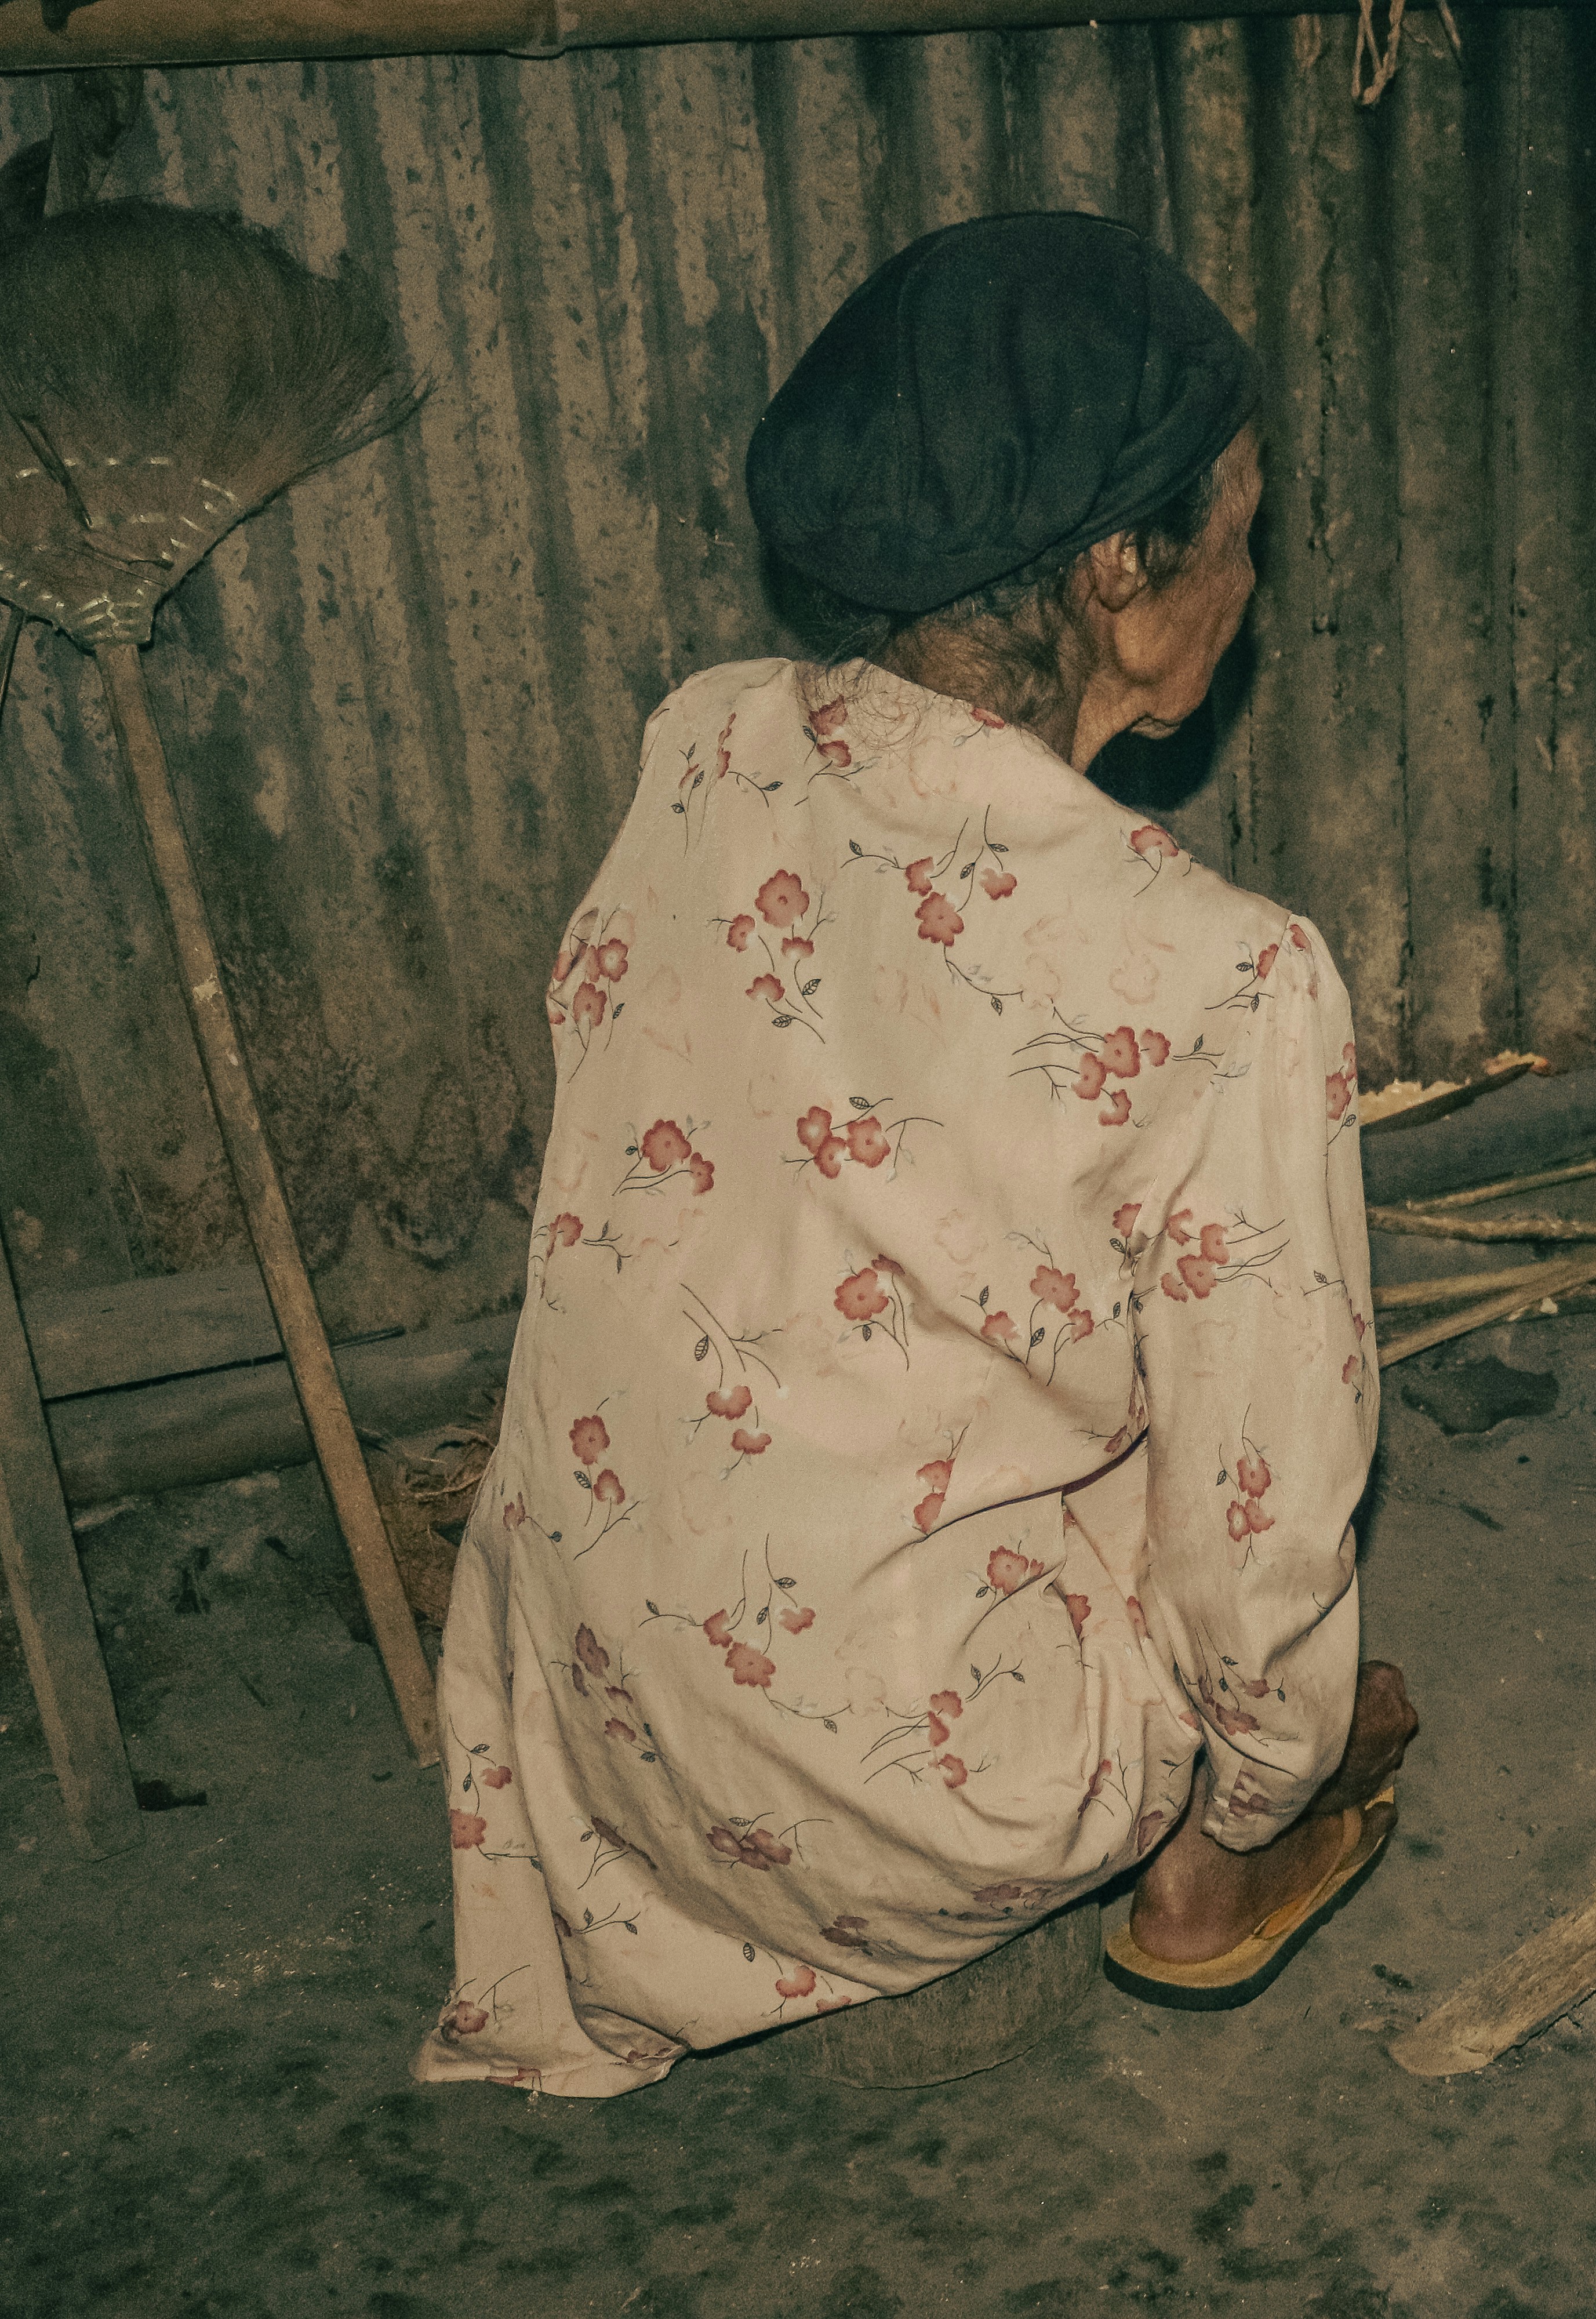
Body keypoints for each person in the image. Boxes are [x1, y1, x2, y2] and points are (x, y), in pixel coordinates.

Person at [416, 213, 1412, 2098]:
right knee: (1254, 1463)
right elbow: (1265, 1520)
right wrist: (1278, 1767)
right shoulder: (1230, 979)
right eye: (1242, 529)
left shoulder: (702, 751)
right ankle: (1208, 1893)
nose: (1255, 581)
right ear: (1122, 570)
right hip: (912, 1816)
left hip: (595, 1735)